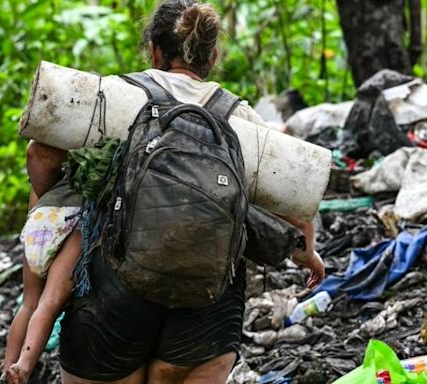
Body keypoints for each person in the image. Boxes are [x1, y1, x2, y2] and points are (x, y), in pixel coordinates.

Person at [25, 1, 325, 383]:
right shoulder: (241, 120)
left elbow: (41, 153)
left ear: (153, 50)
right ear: (213, 56)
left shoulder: (114, 97)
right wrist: (309, 256)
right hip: (207, 306)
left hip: (112, 296)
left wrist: (52, 206)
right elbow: (297, 209)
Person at [2, 144, 83, 384]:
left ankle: (7, 367)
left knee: (28, 303)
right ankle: (24, 367)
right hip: (73, 221)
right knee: (48, 304)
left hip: (39, 221)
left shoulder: (49, 174)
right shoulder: (97, 168)